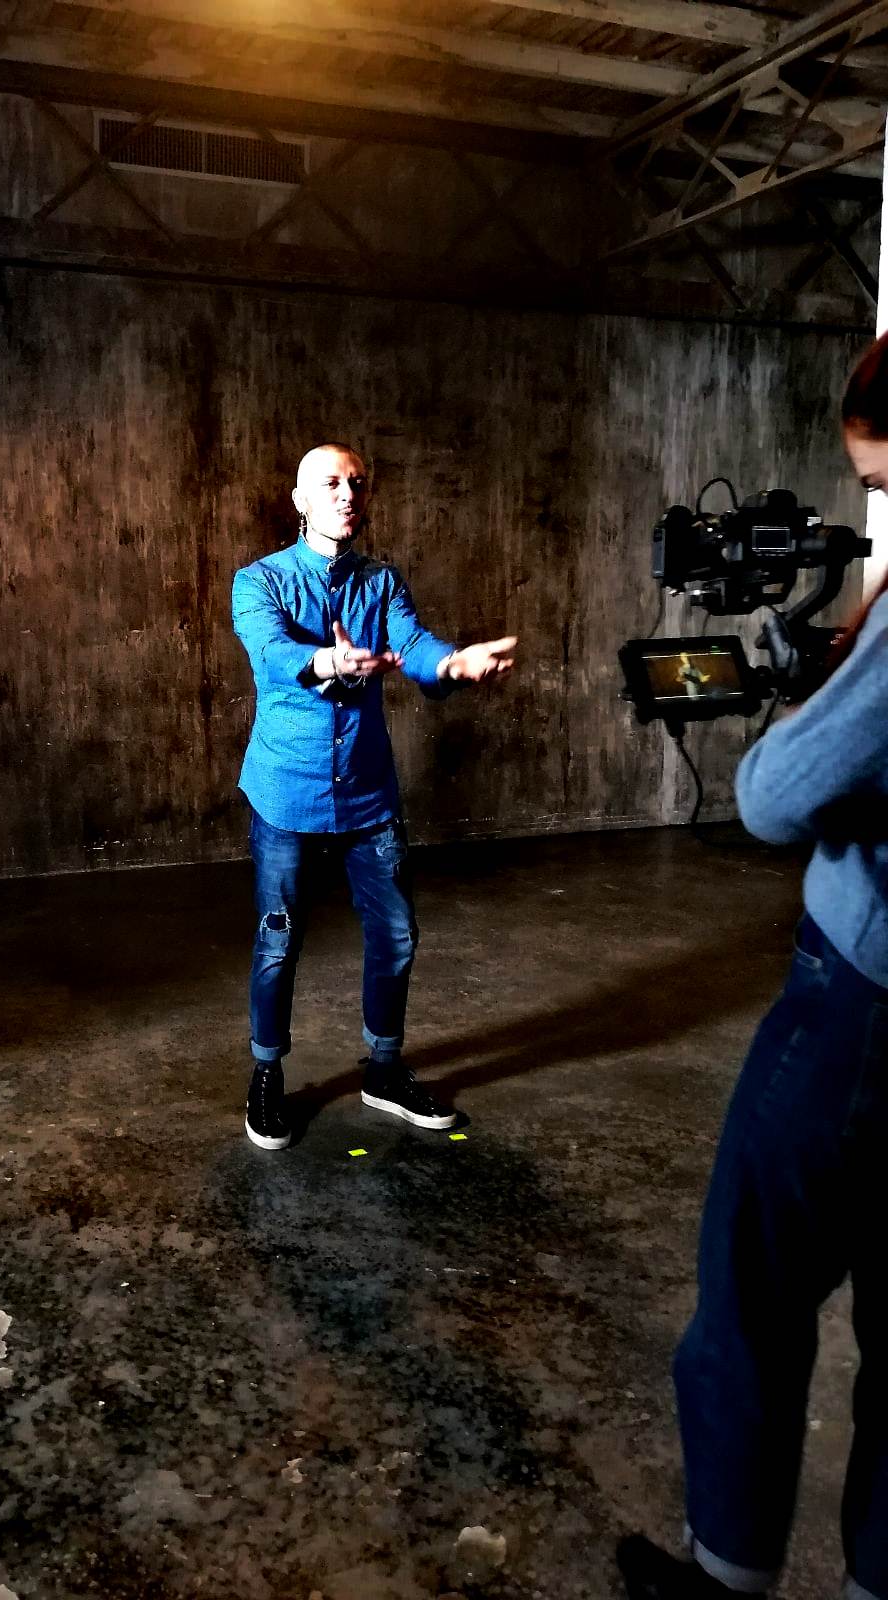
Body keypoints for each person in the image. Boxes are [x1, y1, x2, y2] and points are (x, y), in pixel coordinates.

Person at [617, 334, 888, 1600]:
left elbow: (776, 796)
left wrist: (801, 710)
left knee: (748, 1293)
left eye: (882, 482)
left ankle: (724, 1579)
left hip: (863, 1008)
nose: (876, 512)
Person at [231, 443, 517, 1150]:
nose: (347, 494)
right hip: (286, 792)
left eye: (356, 483)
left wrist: (450, 663)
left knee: (395, 935)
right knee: (278, 940)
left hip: (367, 795)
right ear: (300, 500)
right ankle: (266, 1074)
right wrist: (326, 658)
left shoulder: (381, 582)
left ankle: (383, 1070)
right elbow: (271, 651)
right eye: (330, 483)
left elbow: (413, 644)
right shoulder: (259, 581)